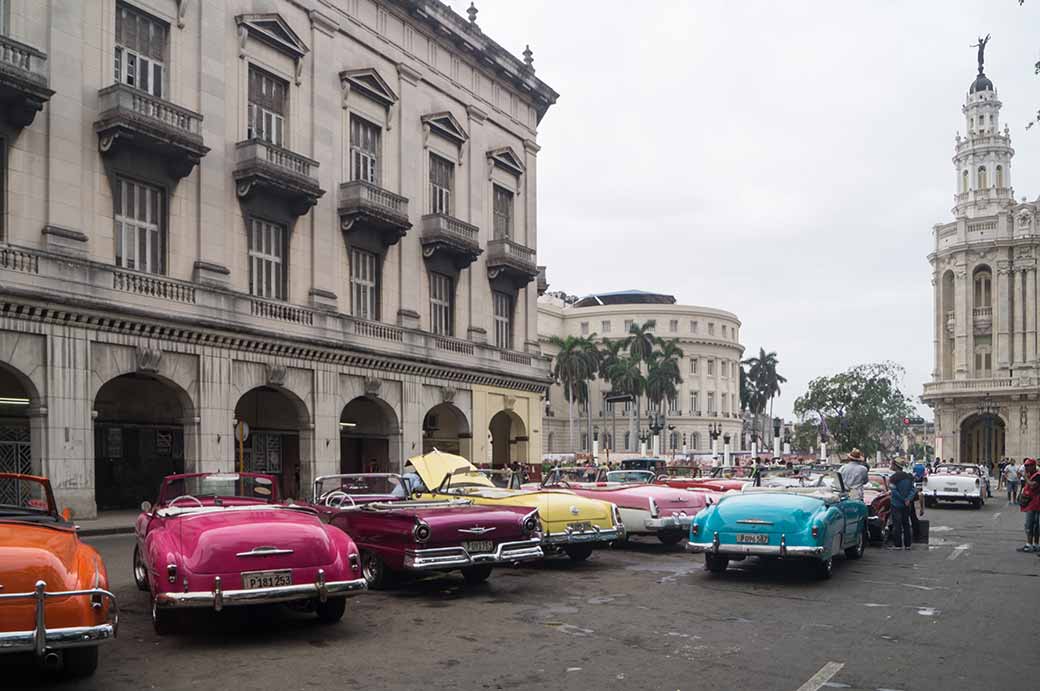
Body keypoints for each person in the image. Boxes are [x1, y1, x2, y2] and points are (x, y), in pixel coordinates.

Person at [888, 462, 917, 551]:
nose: (891, 466)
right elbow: (913, 490)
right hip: (906, 504)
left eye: (892, 465)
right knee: (906, 524)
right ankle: (908, 545)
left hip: (896, 504)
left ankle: (898, 545)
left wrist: (903, 499)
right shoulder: (908, 477)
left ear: (896, 466)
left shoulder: (893, 478)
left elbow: (894, 491)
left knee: (897, 525)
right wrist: (908, 499)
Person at [1018, 458, 1040, 553]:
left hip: (1035, 503)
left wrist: (1025, 477)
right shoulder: (1030, 475)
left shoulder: (1037, 475)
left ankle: (1031, 545)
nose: (1026, 468)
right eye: (1025, 466)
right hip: (1030, 503)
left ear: (1033, 466)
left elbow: (1032, 485)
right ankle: (1033, 544)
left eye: (1028, 466)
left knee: (1030, 525)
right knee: (1033, 525)